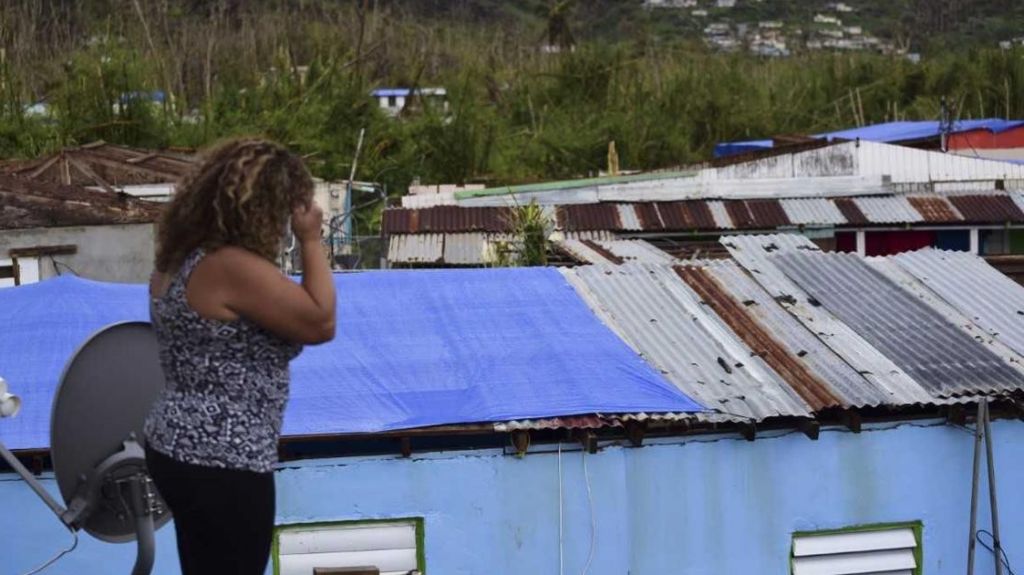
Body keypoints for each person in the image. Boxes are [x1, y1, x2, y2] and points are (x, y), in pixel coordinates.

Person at [143, 138, 336, 575]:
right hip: (225, 457)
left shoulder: (180, 259)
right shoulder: (228, 266)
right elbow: (321, 321)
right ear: (259, 207)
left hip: (177, 445)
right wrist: (310, 239)